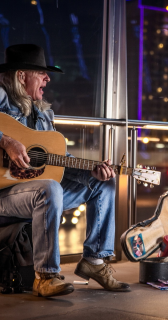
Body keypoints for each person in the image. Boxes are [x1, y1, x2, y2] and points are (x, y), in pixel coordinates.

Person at [0, 44, 130, 297]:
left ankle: (94, 262)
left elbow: (57, 159)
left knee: (103, 184)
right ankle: (46, 277)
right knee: (49, 188)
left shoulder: (44, 113)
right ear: (21, 76)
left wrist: (91, 172)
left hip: (33, 194)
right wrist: (6, 141)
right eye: (41, 73)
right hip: (4, 196)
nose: (48, 78)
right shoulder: (1, 96)